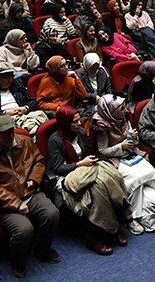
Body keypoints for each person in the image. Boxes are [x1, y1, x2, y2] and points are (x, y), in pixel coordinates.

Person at [0, 115, 62, 278]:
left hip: (30, 192)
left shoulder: (25, 141)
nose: (10, 135)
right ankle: (18, 261)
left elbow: (39, 161)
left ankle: (42, 250)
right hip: (6, 203)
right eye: (5, 133)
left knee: (52, 214)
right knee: (24, 229)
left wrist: (34, 179)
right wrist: (16, 203)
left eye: (11, 131)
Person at [47, 105, 131, 256]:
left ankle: (109, 227)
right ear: (66, 123)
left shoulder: (79, 132)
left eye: (79, 120)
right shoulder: (54, 140)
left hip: (87, 168)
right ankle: (98, 235)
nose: (80, 124)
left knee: (110, 179)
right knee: (98, 189)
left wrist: (93, 161)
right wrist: (80, 164)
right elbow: (57, 168)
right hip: (66, 176)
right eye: (75, 122)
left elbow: (88, 152)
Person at [91, 94, 155, 233]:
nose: (127, 110)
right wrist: (121, 146)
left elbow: (134, 143)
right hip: (115, 159)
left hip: (131, 154)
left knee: (150, 171)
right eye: (122, 108)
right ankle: (132, 217)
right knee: (134, 180)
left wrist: (134, 138)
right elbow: (103, 151)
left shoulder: (124, 119)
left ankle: (151, 206)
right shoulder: (101, 126)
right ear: (113, 110)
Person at [0, 63, 48, 132]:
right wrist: (4, 113)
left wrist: (26, 108)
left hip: (23, 116)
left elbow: (33, 100)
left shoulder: (17, 83)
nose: (10, 79)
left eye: (11, 76)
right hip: (4, 121)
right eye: (6, 77)